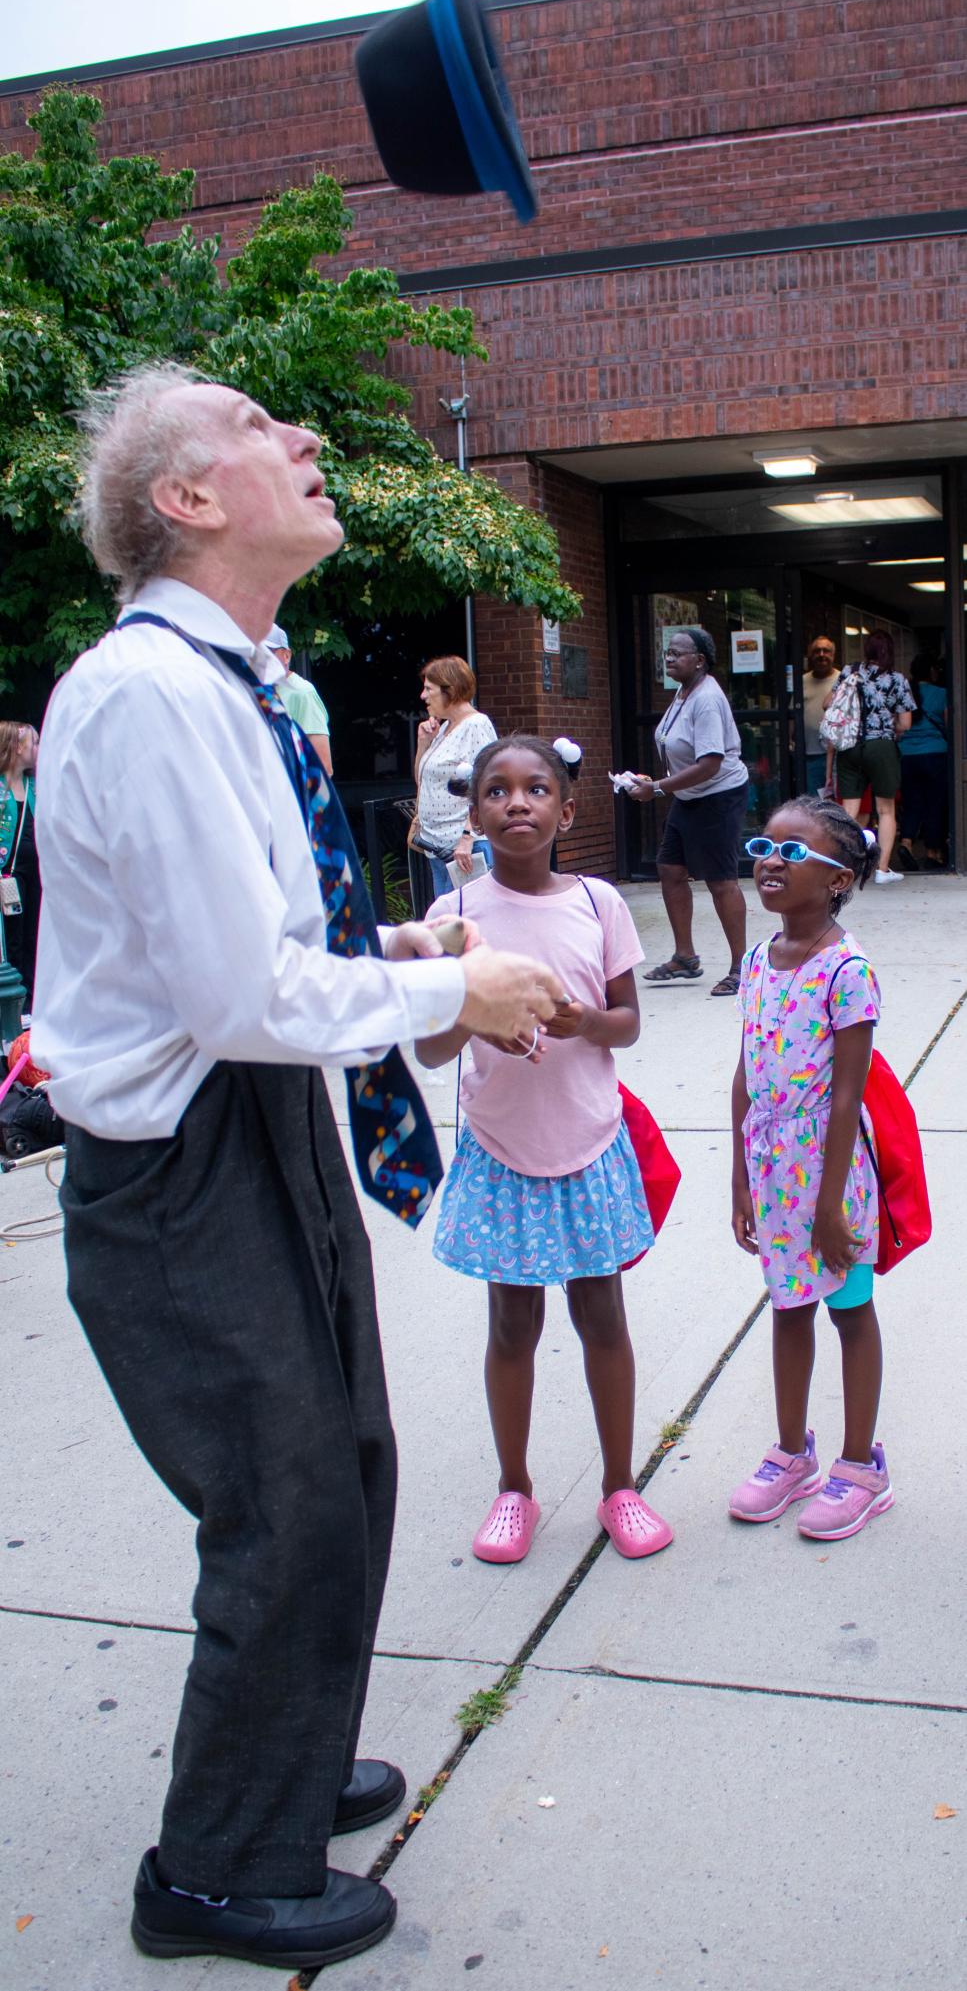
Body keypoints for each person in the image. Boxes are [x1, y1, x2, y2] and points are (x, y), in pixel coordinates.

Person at [30, 361, 564, 1974]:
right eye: (266, 426)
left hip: (259, 1121)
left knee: (344, 1465)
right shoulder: (147, 693)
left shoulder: (239, 682)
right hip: (186, 1163)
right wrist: (448, 990)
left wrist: (395, 944)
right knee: (283, 1504)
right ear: (186, 503)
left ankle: (286, 1762)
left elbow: (253, 949)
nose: (310, 434)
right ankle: (213, 1868)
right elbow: (238, 998)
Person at [416, 734, 674, 1565]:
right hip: (499, 1147)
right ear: (474, 811)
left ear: (567, 809)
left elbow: (628, 1024)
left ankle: (620, 1485)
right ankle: (514, 1488)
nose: (516, 802)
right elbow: (427, 1051)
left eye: (536, 789)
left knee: (602, 1316)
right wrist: (475, 1009)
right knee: (510, 1323)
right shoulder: (452, 921)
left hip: (589, 1142)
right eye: (497, 790)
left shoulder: (597, 904)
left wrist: (582, 1021)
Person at [729, 795, 893, 1541]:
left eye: (792, 853)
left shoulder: (846, 968)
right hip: (771, 1170)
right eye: (764, 845)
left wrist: (830, 1205)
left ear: (836, 879)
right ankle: (791, 1453)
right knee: (787, 1306)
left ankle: (861, 1466)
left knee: (848, 1309)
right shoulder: (758, 958)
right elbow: (744, 1071)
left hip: (831, 1176)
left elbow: (845, 1098)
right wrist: (738, 1174)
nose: (769, 860)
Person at [627, 626, 749, 997]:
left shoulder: (706, 698)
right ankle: (685, 957)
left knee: (720, 880)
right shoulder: (683, 692)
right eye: (667, 652)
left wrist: (660, 788)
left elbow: (711, 762)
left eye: (677, 653)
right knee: (670, 868)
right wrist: (660, 780)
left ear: (699, 661)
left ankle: (742, 968)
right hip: (690, 795)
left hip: (718, 795)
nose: (669, 658)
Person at [834, 630, 915, 885]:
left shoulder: (850, 672)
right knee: (886, 809)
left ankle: (846, 866)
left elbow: (829, 702)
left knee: (849, 810)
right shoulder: (896, 679)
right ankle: (881, 869)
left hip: (850, 744)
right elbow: (905, 723)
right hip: (881, 745)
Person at [413, 656, 496, 896]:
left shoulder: (476, 725)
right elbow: (423, 783)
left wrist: (468, 838)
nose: (423, 696)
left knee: (468, 923)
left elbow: (487, 785)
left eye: (429, 689)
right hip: (436, 847)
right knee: (447, 925)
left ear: (450, 689)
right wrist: (423, 744)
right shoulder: (444, 729)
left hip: (463, 849)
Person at [0, 720, 41, 1015]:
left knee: (33, 935)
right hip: (8, 878)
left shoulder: (36, 787)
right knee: (11, 939)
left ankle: (31, 1003)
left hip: (37, 875)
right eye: (34, 743)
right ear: (16, 747)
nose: (38, 749)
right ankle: (11, 1007)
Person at [898, 653, 948, 869]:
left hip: (906, 755)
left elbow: (898, 723)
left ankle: (906, 843)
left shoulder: (906, 692)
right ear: (931, 672)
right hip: (935, 754)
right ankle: (932, 851)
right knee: (934, 803)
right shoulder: (942, 693)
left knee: (912, 801)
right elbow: (949, 725)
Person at [266, 624, 333, 775]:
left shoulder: (302, 693)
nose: (261, 658)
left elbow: (323, 767)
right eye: (255, 652)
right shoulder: (256, 690)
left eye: (268, 652)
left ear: (287, 655)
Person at [801, 636, 838, 795]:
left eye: (826, 651)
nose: (822, 654)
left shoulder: (842, 680)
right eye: (817, 651)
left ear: (833, 655)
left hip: (837, 755)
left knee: (835, 803)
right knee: (814, 804)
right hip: (809, 755)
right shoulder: (801, 681)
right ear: (810, 655)